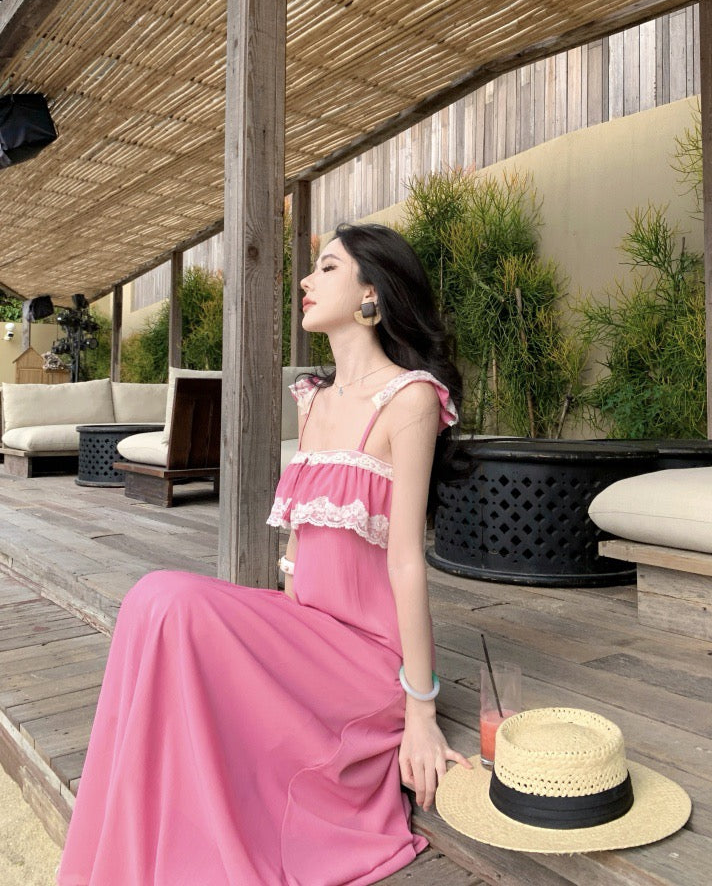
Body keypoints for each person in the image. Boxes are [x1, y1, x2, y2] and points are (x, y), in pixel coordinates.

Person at [57, 223, 472, 886]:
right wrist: (271, 651)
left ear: (372, 293)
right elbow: (297, 551)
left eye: (327, 268)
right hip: (307, 633)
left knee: (171, 599)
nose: (306, 281)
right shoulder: (312, 400)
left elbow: (405, 563)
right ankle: (128, 853)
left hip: (366, 660)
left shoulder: (411, 398)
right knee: (150, 602)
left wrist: (420, 710)